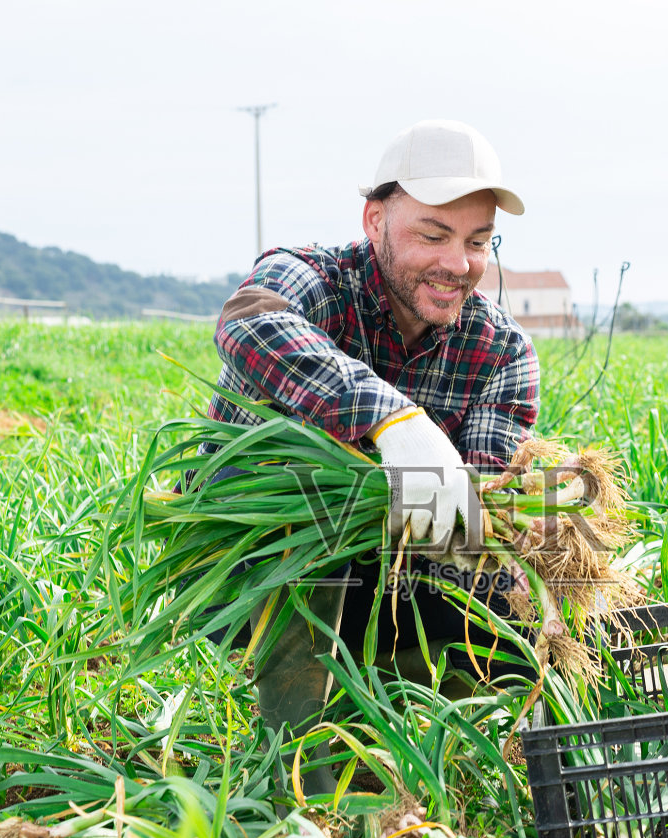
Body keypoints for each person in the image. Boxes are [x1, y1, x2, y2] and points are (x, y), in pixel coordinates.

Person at [211, 118, 538, 795]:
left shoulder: (501, 352)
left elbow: (476, 504)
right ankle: (302, 779)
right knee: (306, 534)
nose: (458, 264)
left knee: (509, 601)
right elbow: (249, 321)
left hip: (396, 564)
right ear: (375, 219)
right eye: (433, 235)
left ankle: (395, 710)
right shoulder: (310, 280)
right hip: (258, 566)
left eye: (477, 242)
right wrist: (390, 417)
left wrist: (504, 524)